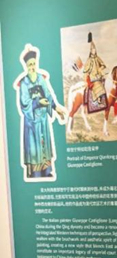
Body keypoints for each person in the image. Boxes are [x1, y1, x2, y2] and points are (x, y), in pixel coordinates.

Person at [16, 47, 65, 179]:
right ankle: (36, 172)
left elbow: (48, 95)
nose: (32, 67)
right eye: (30, 65)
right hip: (32, 123)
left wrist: (56, 108)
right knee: (34, 149)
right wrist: (38, 102)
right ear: (26, 66)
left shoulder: (40, 78)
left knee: (44, 146)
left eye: (34, 64)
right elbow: (24, 103)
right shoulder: (24, 83)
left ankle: (46, 171)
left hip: (42, 120)